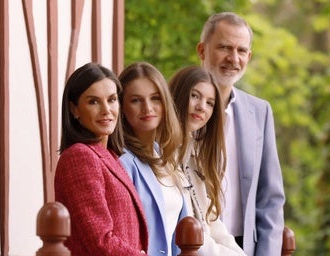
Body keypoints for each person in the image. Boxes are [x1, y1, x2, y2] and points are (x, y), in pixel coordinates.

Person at [196, 12, 285, 256]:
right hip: (192, 245)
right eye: (224, 47)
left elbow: (271, 199)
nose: (233, 58)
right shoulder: (178, 108)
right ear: (202, 51)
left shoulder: (260, 112)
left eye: (241, 50)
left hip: (244, 247)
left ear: (249, 56)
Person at [54, 62, 148, 256]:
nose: (106, 110)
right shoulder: (79, 156)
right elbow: (100, 241)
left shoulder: (110, 156)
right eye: (93, 102)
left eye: (112, 100)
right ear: (74, 110)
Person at [169, 65, 247, 256]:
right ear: (178, 95)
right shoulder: (161, 155)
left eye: (210, 103)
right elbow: (194, 237)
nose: (201, 107)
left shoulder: (195, 156)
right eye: (195, 96)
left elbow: (212, 223)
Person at [118, 62, 187, 256]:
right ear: (122, 107)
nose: (147, 108)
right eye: (136, 100)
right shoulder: (122, 161)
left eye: (155, 98)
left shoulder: (165, 157)